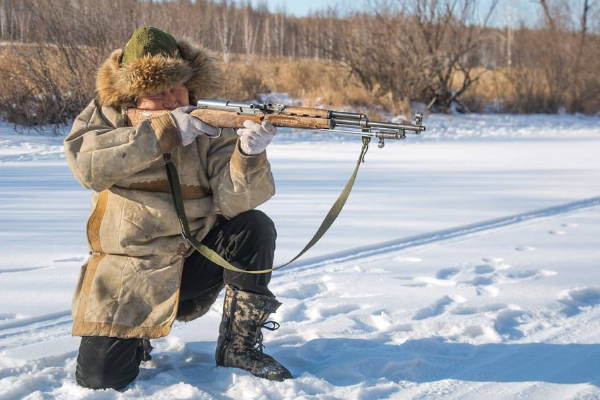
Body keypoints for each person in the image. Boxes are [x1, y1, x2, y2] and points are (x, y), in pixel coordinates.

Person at [64, 26, 292, 391]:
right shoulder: (105, 117)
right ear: (131, 97)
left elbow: (236, 202)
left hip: (192, 259)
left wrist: (249, 155)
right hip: (129, 271)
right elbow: (86, 166)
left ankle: (239, 347)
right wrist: (161, 133)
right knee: (100, 380)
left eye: (178, 88)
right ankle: (136, 334)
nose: (173, 100)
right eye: (159, 91)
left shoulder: (209, 125)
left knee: (254, 225)